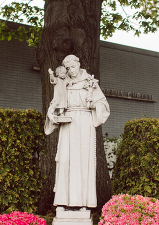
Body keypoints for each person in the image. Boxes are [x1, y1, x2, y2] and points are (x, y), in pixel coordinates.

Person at [45, 55, 110, 209]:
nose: (70, 71)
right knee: (65, 161)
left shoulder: (90, 82)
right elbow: (57, 99)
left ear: (79, 64)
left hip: (85, 123)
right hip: (68, 122)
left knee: (83, 162)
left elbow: (103, 104)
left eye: (72, 67)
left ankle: (84, 203)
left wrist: (94, 104)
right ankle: (62, 201)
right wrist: (52, 114)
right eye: (67, 68)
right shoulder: (64, 82)